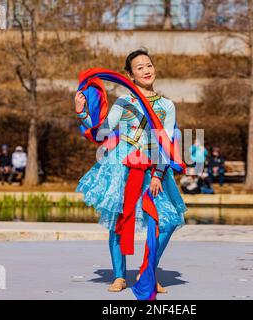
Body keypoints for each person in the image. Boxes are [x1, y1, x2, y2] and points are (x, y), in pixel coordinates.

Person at [74, 49, 187, 296]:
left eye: (149, 65)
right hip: (122, 169)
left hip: (154, 169)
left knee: (167, 221)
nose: (147, 70)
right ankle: (119, 276)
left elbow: (165, 141)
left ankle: (148, 272)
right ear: (129, 75)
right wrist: (82, 112)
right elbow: (103, 132)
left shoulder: (167, 105)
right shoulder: (125, 102)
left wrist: (158, 174)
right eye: (140, 67)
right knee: (118, 222)